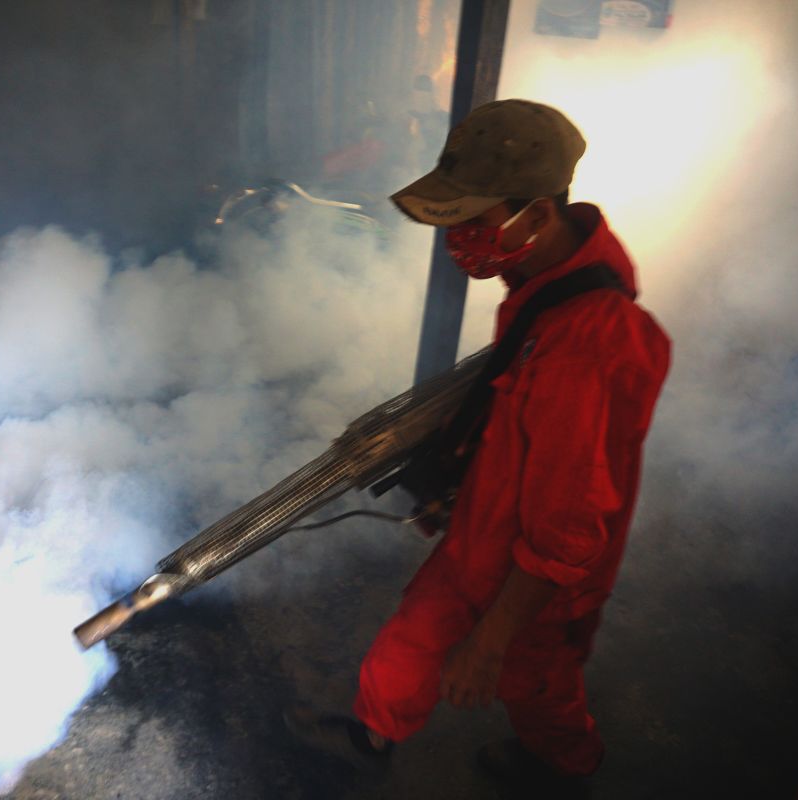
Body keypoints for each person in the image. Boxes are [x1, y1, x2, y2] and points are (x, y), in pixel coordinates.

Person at [285, 99, 671, 797]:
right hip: (486, 535)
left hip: (539, 581)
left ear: (540, 215)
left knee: (537, 686)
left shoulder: (588, 346)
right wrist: (464, 486)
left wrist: (490, 643)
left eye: (474, 220)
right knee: (412, 637)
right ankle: (371, 735)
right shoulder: (543, 284)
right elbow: (520, 421)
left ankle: (564, 764)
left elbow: (567, 528)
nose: (460, 237)